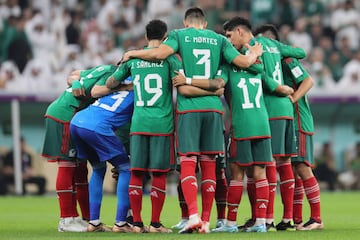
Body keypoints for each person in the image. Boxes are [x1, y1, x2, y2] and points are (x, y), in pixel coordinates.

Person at [121, 7, 263, 234]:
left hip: (188, 111)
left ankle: (193, 216)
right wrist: (255, 52)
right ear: (204, 24)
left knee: (188, 161)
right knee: (209, 164)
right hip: (215, 111)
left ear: (186, 23)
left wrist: (133, 53)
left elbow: (158, 54)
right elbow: (244, 64)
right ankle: (206, 221)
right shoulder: (219, 40)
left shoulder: (178, 35)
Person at [225, 16, 307, 232]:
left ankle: (266, 218)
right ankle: (286, 218)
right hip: (286, 109)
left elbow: (257, 76)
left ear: (242, 32)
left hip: (266, 110)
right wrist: (282, 49)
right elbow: (301, 53)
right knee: (285, 163)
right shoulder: (276, 47)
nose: (229, 40)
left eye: (230, 35)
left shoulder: (248, 52)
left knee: (264, 165)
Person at [106, 19, 181, 234]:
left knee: (137, 173)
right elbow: (181, 80)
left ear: (147, 36)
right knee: (159, 174)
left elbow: (111, 83)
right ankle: (155, 224)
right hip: (162, 124)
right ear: (165, 36)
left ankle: (137, 223)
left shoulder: (133, 58)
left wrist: (129, 84)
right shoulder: (169, 59)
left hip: (138, 123)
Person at [254, 24, 324, 231]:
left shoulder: (287, 59)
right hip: (288, 119)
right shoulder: (271, 61)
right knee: (292, 169)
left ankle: (317, 218)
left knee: (301, 167)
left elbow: (308, 80)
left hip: (298, 120)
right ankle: (296, 219)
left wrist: (293, 99)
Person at [41, 64, 118, 232]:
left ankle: (86, 219)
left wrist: (75, 83)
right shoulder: (113, 74)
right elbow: (96, 92)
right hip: (65, 115)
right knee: (67, 165)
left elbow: (73, 75)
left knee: (80, 169)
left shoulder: (103, 68)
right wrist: (126, 86)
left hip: (74, 117)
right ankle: (66, 219)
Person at [70, 79, 134, 233]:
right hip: (96, 127)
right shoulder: (139, 93)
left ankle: (94, 222)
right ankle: (120, 223)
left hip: (77, 121)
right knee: (125, 168)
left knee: (98, 169)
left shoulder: (116, 88)